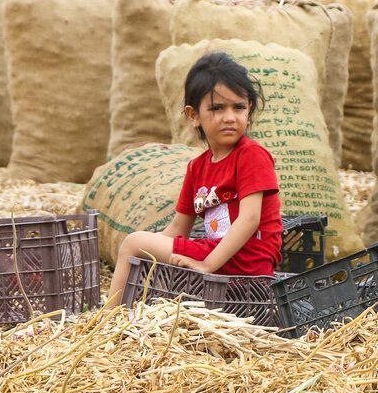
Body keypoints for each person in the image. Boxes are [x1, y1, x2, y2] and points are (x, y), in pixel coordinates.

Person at [108, 51, 282, 305]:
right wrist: (155, 247)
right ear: (194, 116)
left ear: (249, 109)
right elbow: (179, 228)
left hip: (247, 261)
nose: (230, 117)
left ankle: (105, 321)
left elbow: (250, 219)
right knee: (139, 244)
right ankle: (116, 319)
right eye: (217, 108)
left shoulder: (252, 155)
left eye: (239, 107)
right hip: (216, 255)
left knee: (132, 243)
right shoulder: (197, 168)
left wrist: (206, 264)